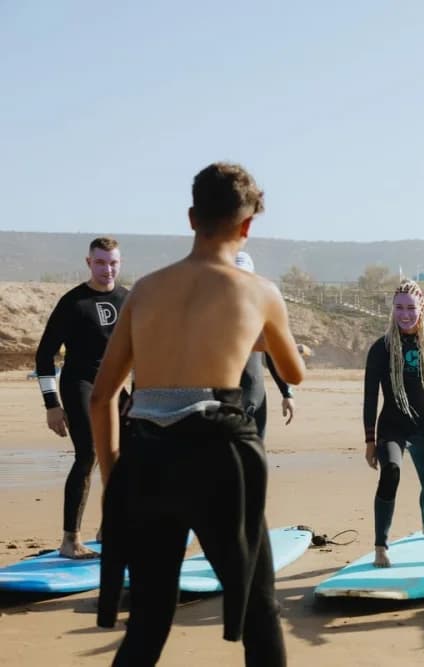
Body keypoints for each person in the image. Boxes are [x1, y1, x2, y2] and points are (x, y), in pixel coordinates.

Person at [91, 162, 305, 666]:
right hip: (219, 457)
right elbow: (292, 373)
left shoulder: (144, 290)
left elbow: (102, 397)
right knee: (258, 611)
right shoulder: (260, 292)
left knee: (147, 621)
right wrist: (257, 335)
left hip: (145, 458)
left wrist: (114, 478)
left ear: (191, 217)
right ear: (248, 225)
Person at [34, 237, 127, 558]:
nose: (107, 269)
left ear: (120, 262)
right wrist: (52, 406)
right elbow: (44, 356)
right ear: (89, 263)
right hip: (80, 384)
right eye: (100, 262)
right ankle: (70, 540)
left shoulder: (127, 299)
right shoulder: (73, 303)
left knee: (126, 458)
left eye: (113, 262)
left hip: (115, 386)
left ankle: (110, 528)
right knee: (87, 455)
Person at [363, 280, 424, 568]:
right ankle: (381, 546)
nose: (404, 314)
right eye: (399, 307)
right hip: (392, 426)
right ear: (393, 309)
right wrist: (369, 441)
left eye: (411, 308)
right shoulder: (382, 348)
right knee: (390, 472)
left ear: (422, 308)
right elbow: (369, 396)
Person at [235, 251, 296, 438]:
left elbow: (273, 356)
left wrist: (287, 393)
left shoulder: (262, 314)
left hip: (254, 396)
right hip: (220, 400)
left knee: (253, 460)